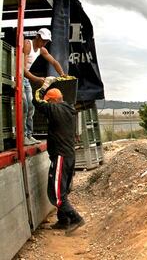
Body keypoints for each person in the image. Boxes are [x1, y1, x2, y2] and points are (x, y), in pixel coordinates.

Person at [33, 82, 85, 234]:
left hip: (61, 157)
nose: (48, 103)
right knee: (62, 189)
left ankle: (76, 218)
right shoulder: (69, 109)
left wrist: (44, 87)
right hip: (69, 156)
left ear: (54, 100)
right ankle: (64, 221)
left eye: (49, 101)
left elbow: (36, 101)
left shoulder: (54, 108)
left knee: (56, 194)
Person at [23, 28, 66, 145]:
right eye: (43, 40)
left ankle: (29, 135)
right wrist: (37, 79)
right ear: (37, 37)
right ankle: (22, 136)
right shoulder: (28, 44)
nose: (44, 43)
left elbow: (54, 62)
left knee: (31, 106)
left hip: (26, 79)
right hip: (19, 77)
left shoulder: (42, 50)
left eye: (47, 41)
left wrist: (62, 75)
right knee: (24, 107)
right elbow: (22, 69)